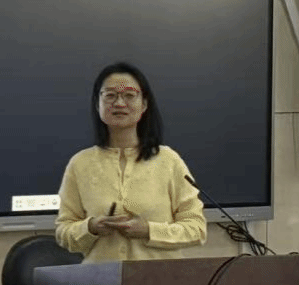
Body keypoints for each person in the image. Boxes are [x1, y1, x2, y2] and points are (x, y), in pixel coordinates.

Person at [54, 61, 206, 262]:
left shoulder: (168, 160)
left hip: (158, 278)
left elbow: (196, 228)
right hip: (99, 279)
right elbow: (63, 232)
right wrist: (90, 227)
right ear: (97, 104)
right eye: (110, 95)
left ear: (144, 104)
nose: (119, 103)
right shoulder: (80, 164)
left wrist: (149, 230)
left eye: (129, 95)